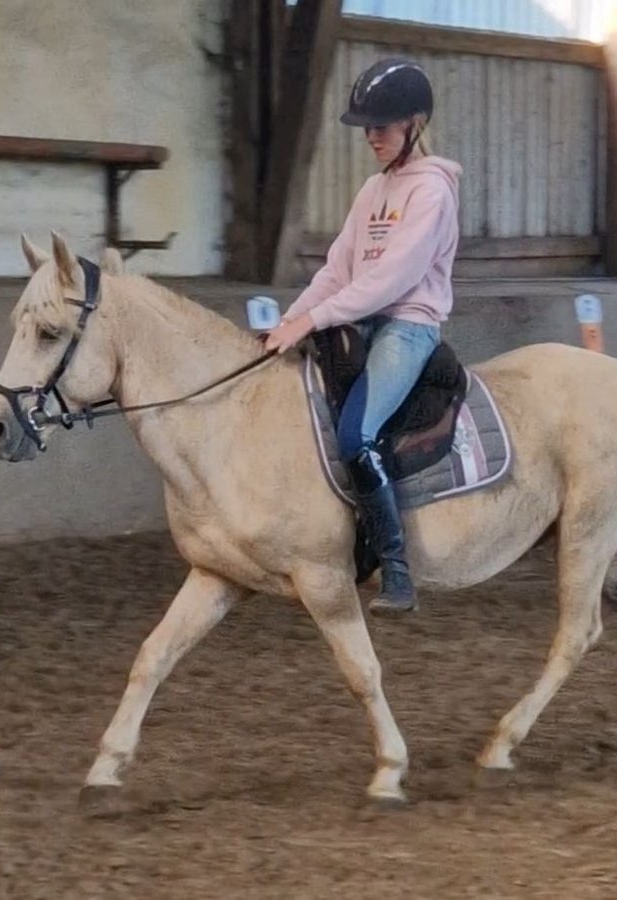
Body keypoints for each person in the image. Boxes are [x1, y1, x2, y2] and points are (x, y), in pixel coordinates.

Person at [263, 58, 463, 612]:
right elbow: (336, 271)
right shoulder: (374, 189)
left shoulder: (433, 193)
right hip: (362, 318)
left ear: (416, 122)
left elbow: (391, 279)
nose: (372, 136)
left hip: (408, 325)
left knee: (356, 433)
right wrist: (287, 320)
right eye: (368, 127)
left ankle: (394, 562)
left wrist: (314, 320)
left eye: (383, 125)